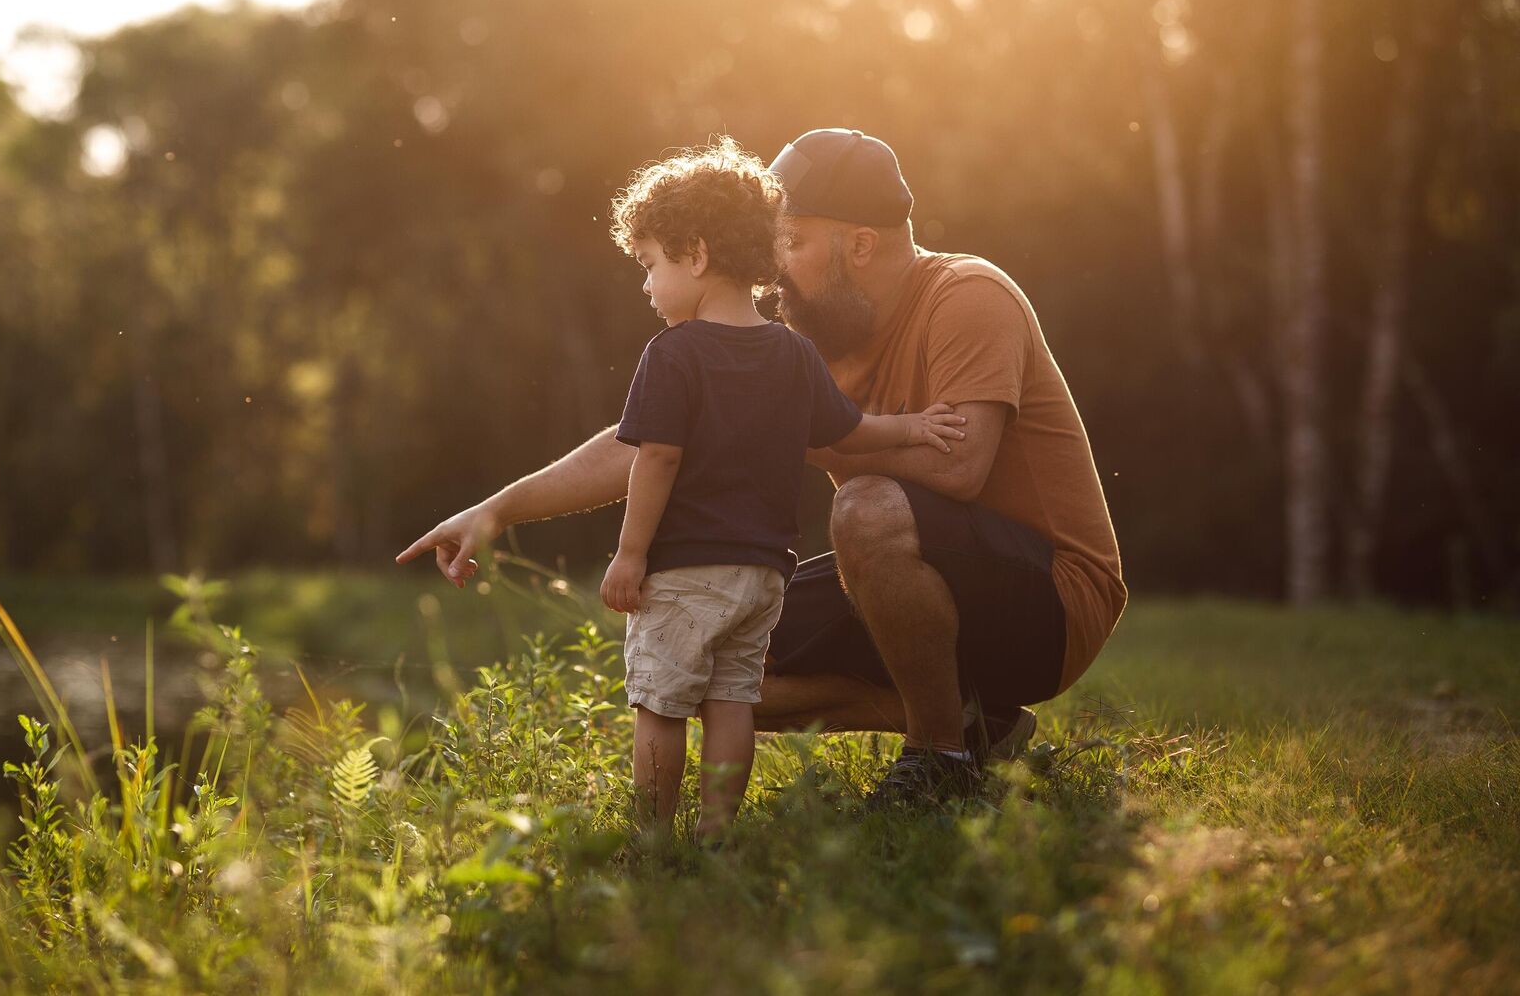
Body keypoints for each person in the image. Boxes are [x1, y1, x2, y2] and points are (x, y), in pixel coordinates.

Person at [397, 128, 1126, 807]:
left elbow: (963, 469)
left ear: (861, 246)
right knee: (715, 653)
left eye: (794, 243)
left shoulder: (967, 296)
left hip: (1052, 603)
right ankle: (977, 723)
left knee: (864, 507)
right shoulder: (808, 343)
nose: (773, 267)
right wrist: (497, 509)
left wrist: (793, 437)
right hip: (909, 579)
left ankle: (941, 758)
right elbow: (648, 438)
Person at [594, 139, 964, 839]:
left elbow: (658, 459)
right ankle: (717, 834)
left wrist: (631, 553)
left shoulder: (672, 354)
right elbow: (851, 431)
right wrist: (915, 427)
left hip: (683, 569)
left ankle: (651, 837)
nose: (647, 286)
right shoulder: (791, 352)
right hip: (763, 575)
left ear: (696, 255)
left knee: (662, 704)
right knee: (733, 701)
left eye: (651, 265)